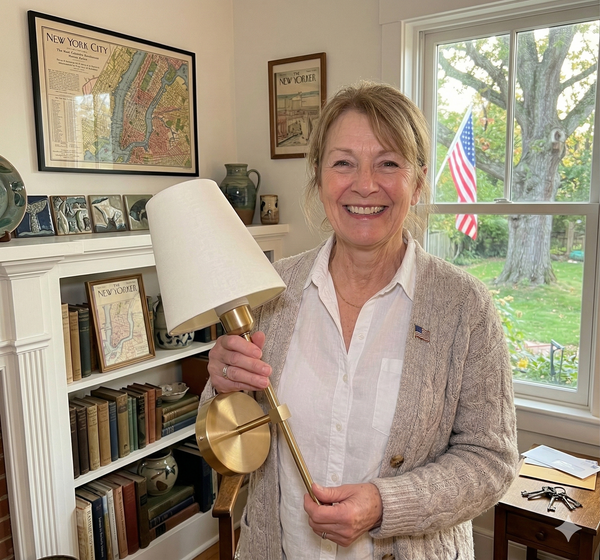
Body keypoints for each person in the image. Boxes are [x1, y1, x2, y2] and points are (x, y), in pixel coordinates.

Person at [201, 82, 518, 560]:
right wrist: (223, 385)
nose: (365, 185)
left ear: (418, 182)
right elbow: (229, 433)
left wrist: (384, 504)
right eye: (343, 163)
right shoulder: (270, 292)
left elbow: (491, 460)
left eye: (388, 163)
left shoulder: (465, 307)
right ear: (319, 177)